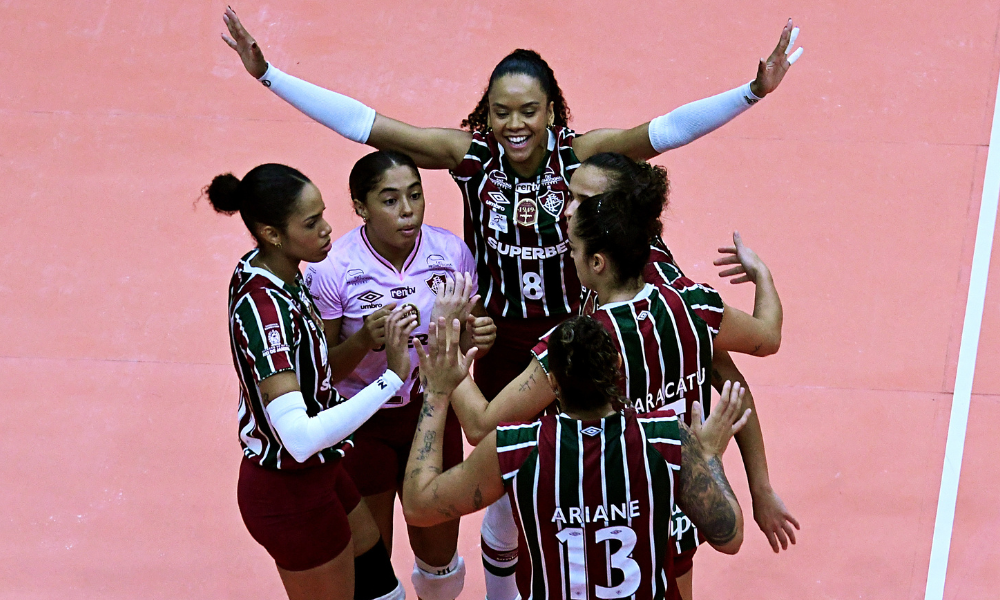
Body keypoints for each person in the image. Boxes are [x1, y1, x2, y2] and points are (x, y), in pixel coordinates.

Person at [220, 13, 802, 593]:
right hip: (498, 344)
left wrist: (752, 93)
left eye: (529, 110)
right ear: (486, 112)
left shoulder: (582, 160)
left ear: (553, 110)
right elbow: (370, 127)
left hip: (573, 341)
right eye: (501, 111)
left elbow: (664, 132)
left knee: (582, 471)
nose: (514, 124)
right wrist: (270, 74)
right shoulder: (471, 159)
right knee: (503, 475)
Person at [445, 174, 784, 599]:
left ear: (598, 262)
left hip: (609, 509)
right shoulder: (693, 303)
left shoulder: (580, 346)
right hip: (683, 508)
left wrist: (447, 365)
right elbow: (763, 343)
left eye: (573, 248)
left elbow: (479, 425)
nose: (568, 217)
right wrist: (763, 277)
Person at [401, 315, 750, 600]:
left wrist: (437, 394)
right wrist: (710, 456)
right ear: (617, 370)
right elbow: (730, 537)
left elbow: (418, 506)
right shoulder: (665, 438)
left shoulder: (516, 449)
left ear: (552, 383)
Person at [566, 153, 800, 560]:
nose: (568, 209)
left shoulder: (668, 294)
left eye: (583, 200)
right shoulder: (610, 263)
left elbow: (732, 378)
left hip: (662, 485)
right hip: (625, 479)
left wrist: (759, 488)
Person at [207, 163, 415, 600]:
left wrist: (361, 342)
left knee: (384, 590)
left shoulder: (279, 271)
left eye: (322, 214)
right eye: (311, 222)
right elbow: (299, 437)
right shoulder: (266, 313)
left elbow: (314, 375)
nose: (327, 229)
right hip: (288, 492)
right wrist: (392, 377)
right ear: (271, 233)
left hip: (322, 471)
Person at [303, 149, 496, 600]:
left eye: (415, 195)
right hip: (363, 424)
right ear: (359, 206)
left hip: (432, 414)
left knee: (439, 556)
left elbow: (468, 342)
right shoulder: (335, 269)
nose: (407, 210)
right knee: (373, 567)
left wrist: (476, 338)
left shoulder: (451, 252)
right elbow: (321, 370)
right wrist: (363, 341)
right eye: (389, 200)